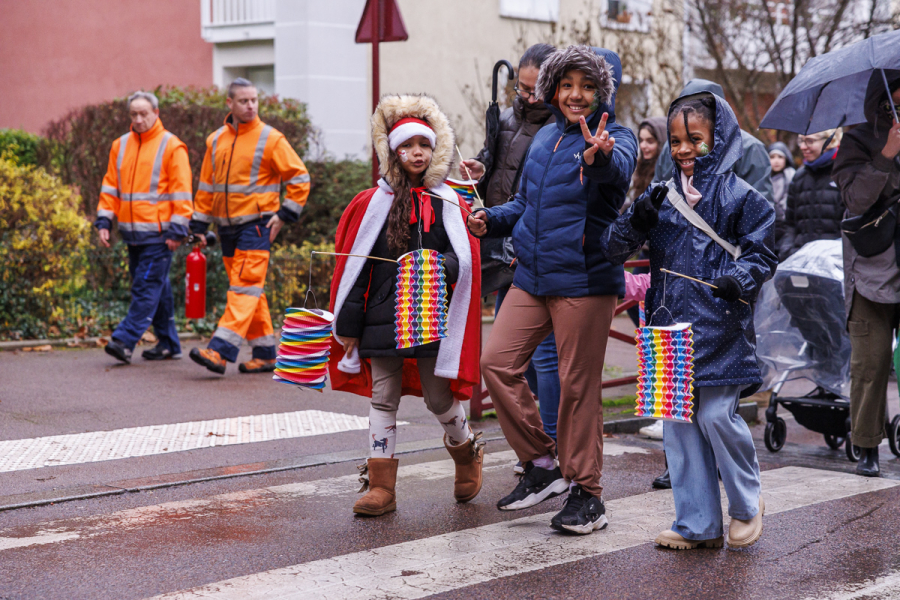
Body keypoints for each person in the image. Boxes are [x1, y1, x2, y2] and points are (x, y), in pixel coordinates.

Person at [467, 45, 637, 535]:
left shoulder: (616, 137)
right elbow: (523, 202)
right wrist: (489, 221)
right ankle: (543, 466)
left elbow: (617, 173)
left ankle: (588, 495)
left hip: (583, 280)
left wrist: (600, 157)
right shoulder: (543, 138)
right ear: (554, 89)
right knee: (497, 364)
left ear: (603, 90)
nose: (576, 95)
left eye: (587, 86)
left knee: (577, 388)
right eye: (567, 85)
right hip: (532, 276)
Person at [602, 91, 776, 550]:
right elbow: (613, 248)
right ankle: (696, 523)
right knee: (679, 426)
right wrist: (635, 220)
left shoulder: (744, 196)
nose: (682, 150)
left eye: (694, 140)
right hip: (668, 326)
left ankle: (746, 503)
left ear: (719, 140)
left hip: (721, 326)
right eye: (676, 140)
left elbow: (762, 253)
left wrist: (740, 279)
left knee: (718, 416)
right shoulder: (659, 195)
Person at [328, 94, 484, 516]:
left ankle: (466, 452)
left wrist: (442, 266)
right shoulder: (371, 202)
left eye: (424, 145)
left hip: (432, 317)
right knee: (383, 397)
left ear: (436, 151)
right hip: (381, 320)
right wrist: (348, 322)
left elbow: (467, 258)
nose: (417, 153)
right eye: (407, 146)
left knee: (438, 398)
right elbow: (353, 267)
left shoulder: (450, 201)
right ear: (392, 152)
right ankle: (382, 487)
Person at [460, 43, 561, 458]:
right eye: (521, 88)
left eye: (537, 89)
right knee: (508, 357)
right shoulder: (504, 118)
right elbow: (496, 169)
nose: (528, 97)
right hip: (502, 247)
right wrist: (480, 169)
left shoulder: (561, 129)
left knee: (544, 356)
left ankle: (553, 443)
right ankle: (542, 444)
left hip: (537, 249)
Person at [189, 78, 310, 375]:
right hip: (226, 227)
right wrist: (198, 226)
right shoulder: (215, 140)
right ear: (229, 103)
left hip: (256, 227)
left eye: (254, 100)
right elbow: (206, 188)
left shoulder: (271, 138)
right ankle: (267, 353)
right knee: (249, 291)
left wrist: (284, 216)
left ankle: (219, 351)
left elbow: (299, 178)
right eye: (244, 101)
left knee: (243, 290)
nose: (251, 105)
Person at [833, 70, 900, 478]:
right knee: (871, 365)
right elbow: (855, 200)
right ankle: (867, 445)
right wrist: (887, 153)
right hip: (871, 270)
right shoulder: (857, 140)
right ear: (882, 100)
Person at [95, 91, 192, 364]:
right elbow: (110, 186)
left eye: (143, 114)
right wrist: (104, 220)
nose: (138, 119)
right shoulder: (120, 145)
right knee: (156, 287)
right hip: (131, 233)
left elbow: (182, 192)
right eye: (133, 114)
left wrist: (177, 231)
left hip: (160, 236)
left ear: (156, 113)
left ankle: (124, 340)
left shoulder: (172, 146)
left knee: (146, 286)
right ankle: (169, 344)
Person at [654, 79, 774, 205]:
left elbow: (760, 208)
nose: (683, 149)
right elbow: (658, 190)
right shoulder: (670, 147)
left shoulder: (750, 148)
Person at [778, 129, 843, 261]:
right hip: (800, 259)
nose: (802, 147)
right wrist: (787, 251)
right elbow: (790, 223)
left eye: (810, 141)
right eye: (801, 141)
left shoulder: (845, 174)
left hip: (835, 261)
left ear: (829, 141)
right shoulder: (799, 177)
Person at [767, 142, 795, 213]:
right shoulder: (763, 179)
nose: (776, 161)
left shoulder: (792, 177)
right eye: (772, 157)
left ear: (786, 159)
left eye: (780, 157)